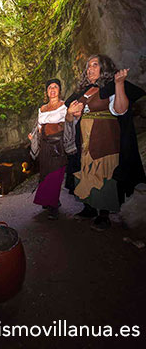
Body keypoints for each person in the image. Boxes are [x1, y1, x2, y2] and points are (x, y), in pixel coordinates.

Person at [65, 55, 146, 231]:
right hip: (84, 140)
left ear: (105, 68)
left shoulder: (110, 88)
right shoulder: (83, 92)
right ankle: (89, 208)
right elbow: (71, 116)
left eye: (95, 65)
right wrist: (71, 114)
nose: (89, 69)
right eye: (88, 66)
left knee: (105, 172)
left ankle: (104, 214)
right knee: (85, 170)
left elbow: (120, 109)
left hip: (106, 138)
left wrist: (119, 84)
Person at [29, 79, 81, 219]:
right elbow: (39, 127)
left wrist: (73, 115)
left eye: (55, 87)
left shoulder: (65, 106)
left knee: (55, 175)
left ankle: (53, 206)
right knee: (45, 174)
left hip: (59, 144)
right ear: (46, 92)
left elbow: (71, 123)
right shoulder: (42, 108)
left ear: (59, 90)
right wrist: (34, 138)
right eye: (50, 87)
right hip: (45, 145)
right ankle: (49, 201)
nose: (52, 89)